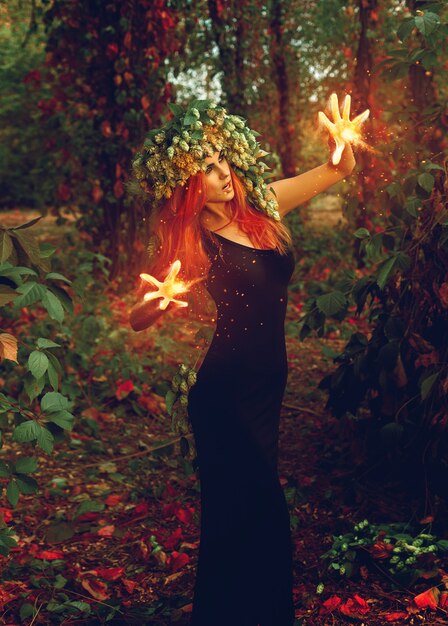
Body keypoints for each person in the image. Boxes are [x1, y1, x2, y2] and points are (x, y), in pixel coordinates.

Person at [129, 96, 359, 626]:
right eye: (204, 170)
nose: (221, 174)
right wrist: (156, 300)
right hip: (223, 394)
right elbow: (141, 316)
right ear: (188, 187)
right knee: (255, 511)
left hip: (267, 385)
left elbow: (338, 170)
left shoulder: (266, 209)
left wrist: (341, 144)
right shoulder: (190, 240)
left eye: (220, 160)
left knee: (246, 514)